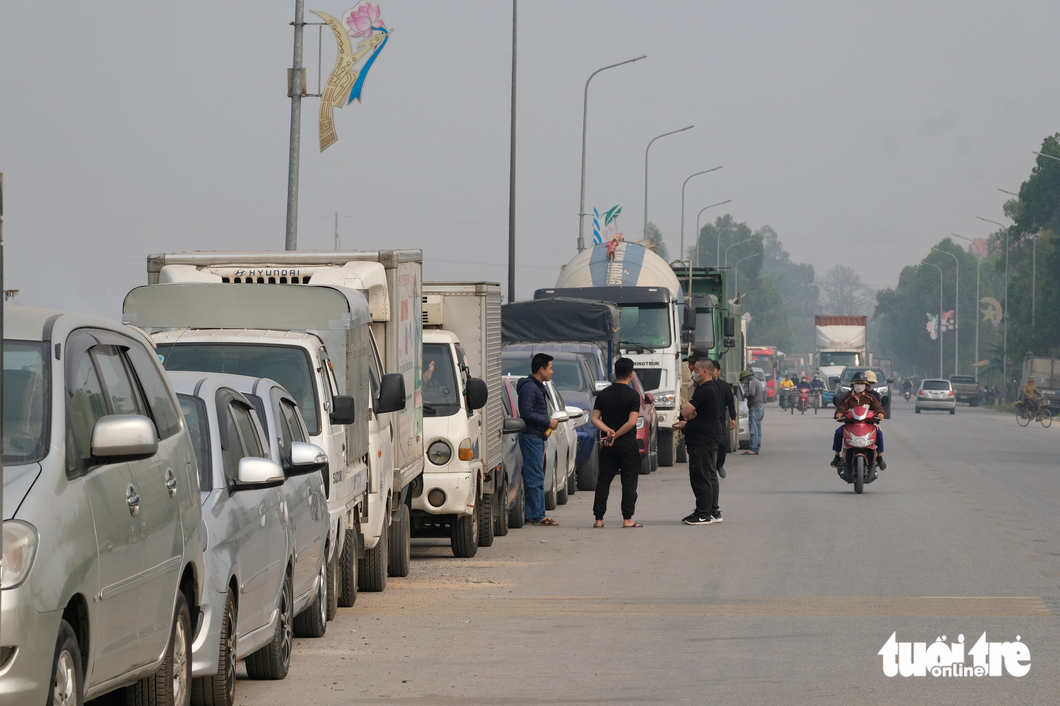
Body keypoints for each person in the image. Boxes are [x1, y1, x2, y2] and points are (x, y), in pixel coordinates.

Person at [590, 357, 643, 528]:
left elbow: (594, 419)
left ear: (615, 373)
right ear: (631, 374)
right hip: (627, 444)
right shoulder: (633, 395)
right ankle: (627, 519)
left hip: (607, 444)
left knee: (604, 480)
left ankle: (599, 519)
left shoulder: (604, 394)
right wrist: (617, 435)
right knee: (628, 482)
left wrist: (608, 432)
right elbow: (631, 423)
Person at [673, 359, 720, 525]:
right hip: (705, 437)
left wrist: (688, 416)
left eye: (696, 369)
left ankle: (703, 513)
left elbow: (686, 410)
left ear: (705, 372)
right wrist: (688, 422)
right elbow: (696, 415)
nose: (693, 371)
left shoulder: (704, 390)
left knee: (700, 477)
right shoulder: (714, 387)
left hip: (700, 441)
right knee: (705, 475)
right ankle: (707, 510)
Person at [516, 353, 560, 526]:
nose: (552, 371)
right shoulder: (530, 387)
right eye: (550, 368)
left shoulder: (537, 386)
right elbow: (526, 413)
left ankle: (531, 514)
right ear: (541, 369)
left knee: (534, 475)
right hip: (531, 436)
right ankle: (539, 516)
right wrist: (547, 421)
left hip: (536, 436)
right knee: (535, 477)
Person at [830, 372, 887, 471]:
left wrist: (880, 413)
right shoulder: (847, 398)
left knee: (879, 433)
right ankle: (836, 456)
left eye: (862, 383)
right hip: (850, 425)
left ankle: (880, 457)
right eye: (857, 383)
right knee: (839, 432)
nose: (859, 386)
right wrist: (839, 414)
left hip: (867, 425)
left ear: (866, 385)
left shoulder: (870, 397)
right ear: (853, 384)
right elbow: (841, 408)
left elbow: (878, 407)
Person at [710, 359, 736, 481]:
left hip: (720, 420)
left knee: (723, 444)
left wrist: (733, 418)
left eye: (713, 370)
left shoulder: (725, 386)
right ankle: (709, 469)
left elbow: (730, 403)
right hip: (707, 421)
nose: (712, 372)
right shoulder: (703, 386)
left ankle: (719, 465)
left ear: (719, 371)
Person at [740, 369, 765, 454]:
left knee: (753, 429)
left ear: (746, 378)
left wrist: (744, 395)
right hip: (760, 407)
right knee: (758, 429)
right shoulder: (757, 381)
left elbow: (752, 393)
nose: (744, 382)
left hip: (755, 407)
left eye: (743, 380)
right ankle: (756, 448)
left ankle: (753, 449)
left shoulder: (752, 382)